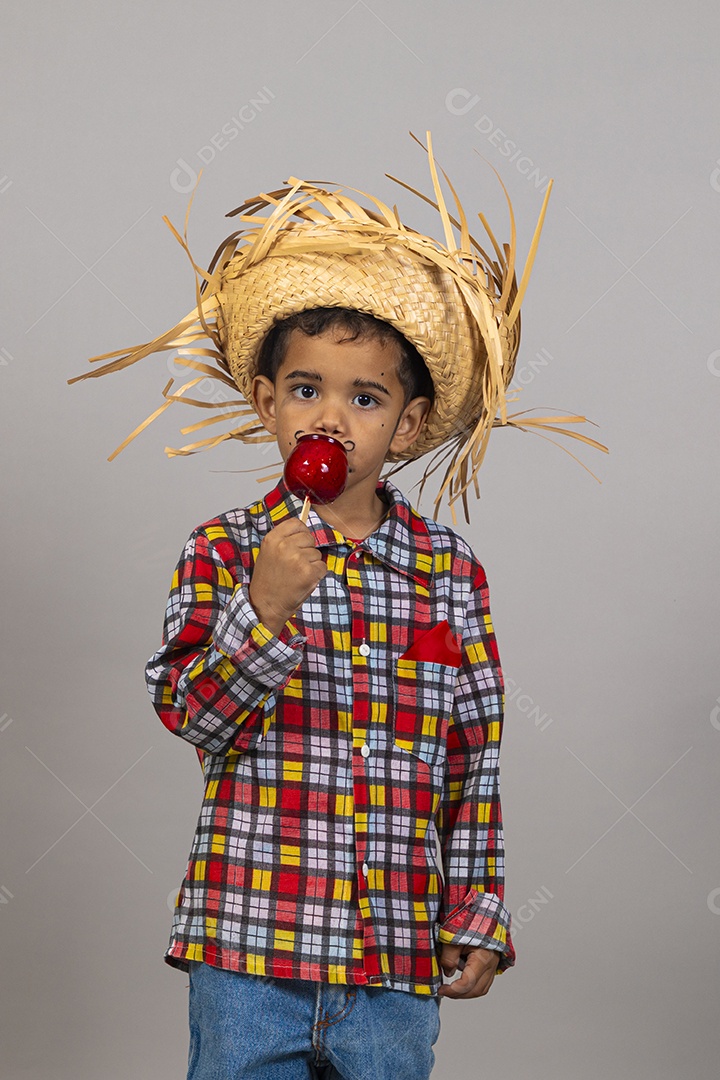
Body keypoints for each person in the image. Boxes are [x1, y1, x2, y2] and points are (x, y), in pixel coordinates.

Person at [68, 131, 602, 1079]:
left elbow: (472, 758)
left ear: (407, 424)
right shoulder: (224, 551)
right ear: (265, 401)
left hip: (392, 959)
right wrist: (264, 613)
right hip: (248, 949)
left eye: (364, 399)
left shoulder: (449, 573)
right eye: (306, 389)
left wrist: (478, 908)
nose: (328, 418)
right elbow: (192, 718)